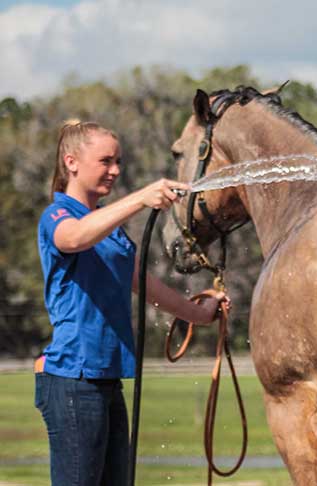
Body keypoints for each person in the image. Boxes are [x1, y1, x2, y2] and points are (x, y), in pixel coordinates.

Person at [35, 120, 224, 486]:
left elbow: (141, 282)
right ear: (71, 162)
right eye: (105, 161)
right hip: (73, 379)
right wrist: (140, 198)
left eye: (118, 161)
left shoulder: (109, 228)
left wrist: (199, 315)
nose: (116, 170)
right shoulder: (58, 216)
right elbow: (73, 238)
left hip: (106, 379)